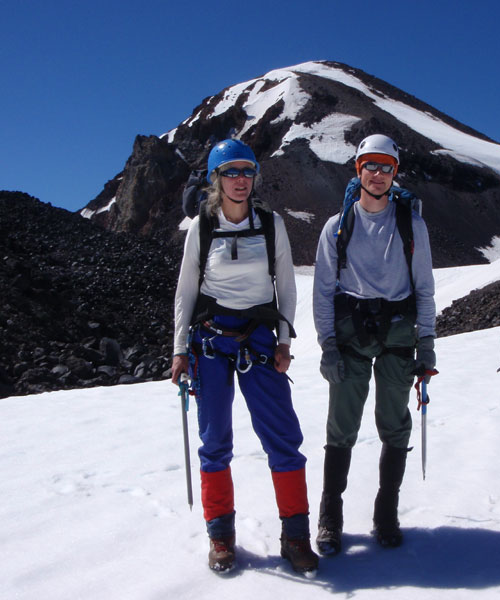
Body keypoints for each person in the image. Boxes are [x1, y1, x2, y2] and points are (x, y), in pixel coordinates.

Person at [171, 139, 318, 574]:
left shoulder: (271, 225)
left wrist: (286, 341)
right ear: (216, 179)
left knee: (284, 440)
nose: (240, 180)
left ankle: (296, 537)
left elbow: (287, 287)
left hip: (258, 342)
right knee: (215, 442)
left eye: (247, 172)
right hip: (211, 343)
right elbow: (186, 290)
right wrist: (179, 349)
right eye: (231, 172)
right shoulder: (202, 226)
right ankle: (221, 538)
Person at [312, 134, 436, 555]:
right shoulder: (337, 226)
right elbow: (323, 290)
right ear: (357, 168)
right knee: (341, 427)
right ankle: (330, 516)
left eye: (386, 166)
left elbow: (424, 288)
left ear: (395, 172)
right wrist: (327, 345)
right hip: (351, 335)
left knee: (394, 424)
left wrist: (428, 343)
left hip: (398, 335)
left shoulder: (411, 224)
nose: (378, 174)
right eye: (371, 165)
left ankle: (387, 513)